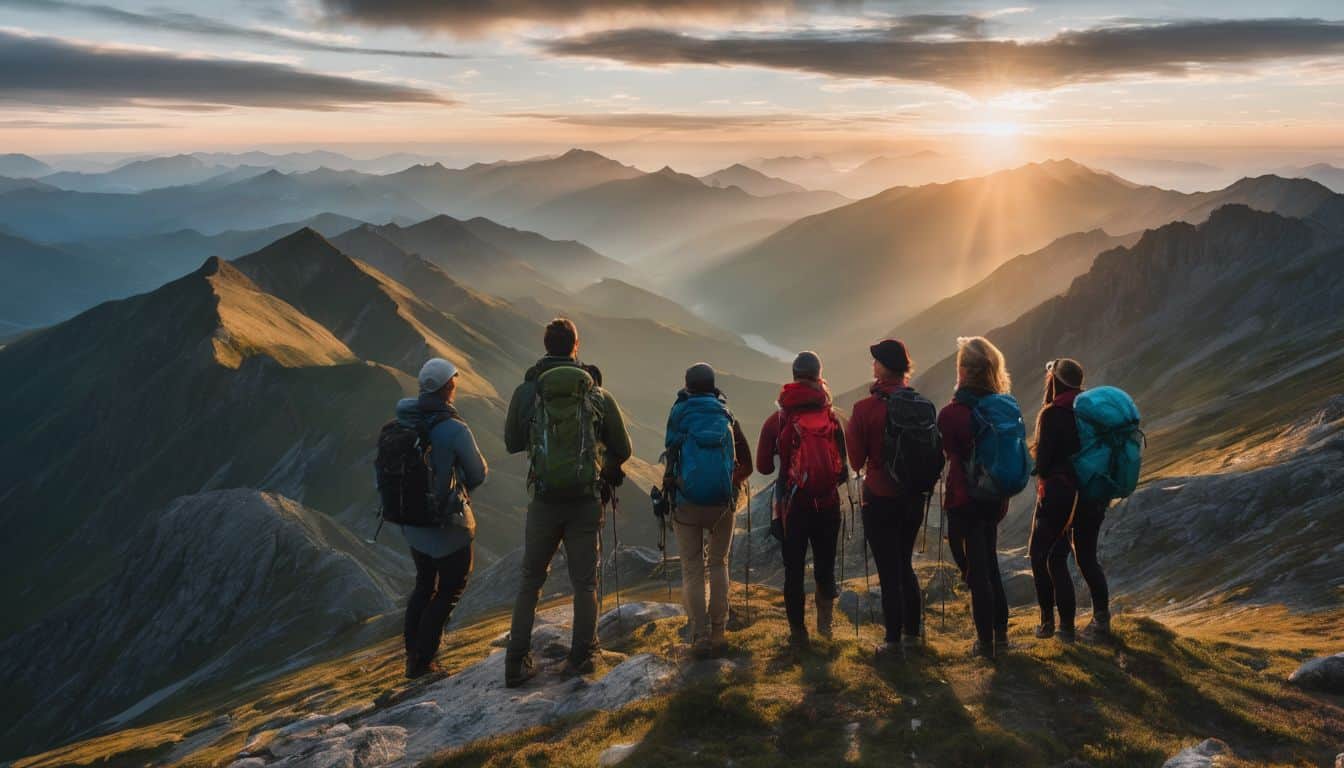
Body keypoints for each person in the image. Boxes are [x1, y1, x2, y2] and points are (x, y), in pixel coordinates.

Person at [502, 318, 632, 687]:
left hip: (543, 500)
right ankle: (582, 657)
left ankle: (516, 662)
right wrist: (603, 471)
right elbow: (623, 449)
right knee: (585, 583)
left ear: (545, 346)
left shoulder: (528, 392)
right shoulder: (595, 393)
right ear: (576, 345)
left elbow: (512, 442)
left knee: (530, 580)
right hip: (584, 500)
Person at [845, 339, 940, 660]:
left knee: (888, 570)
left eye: (875, 361)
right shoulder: (921, 405)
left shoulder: (864, 409)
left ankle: (892, 642)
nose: (872, 366)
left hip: (880, 497)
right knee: (904, 564)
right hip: (914, 498)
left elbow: (856, 462)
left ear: (883, 367)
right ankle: (913, 634)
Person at [396, 358, 488, 679]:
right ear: (449, 387)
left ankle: (412, 656)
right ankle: (424, 662)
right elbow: (478, 473)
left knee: (424, 585)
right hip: (448, 528)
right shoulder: (454, 428)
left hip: (412, 525)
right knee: (450, 588)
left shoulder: (402, 421)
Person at [756, 351, 849, 649]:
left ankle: (798, 635)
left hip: (793, 506)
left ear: (794, 376)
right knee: (825, 566)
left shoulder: (779, 418)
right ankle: (826, 629)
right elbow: (843, 471)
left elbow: (764, 467)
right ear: (820, 376)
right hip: (828, 504)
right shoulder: (831, 417)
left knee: (793, 570)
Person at [663, 363, 753, 657]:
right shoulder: (726, 415)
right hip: (721, 504)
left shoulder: (679, 412)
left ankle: (698, 635)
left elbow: (671, 450)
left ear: (687, 386)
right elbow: (747, 464)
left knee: (691, 568)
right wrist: (728, 483)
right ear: (714, 386)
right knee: (718, 564)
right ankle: (718, 633)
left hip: (687, 502)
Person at [937, 337, 1013, 660]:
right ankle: (1000, 633)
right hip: (994, 498)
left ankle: (985, 644)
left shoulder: (953, 414)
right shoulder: (1001, 406)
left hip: (963, 498)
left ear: (965, 372)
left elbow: (946, 450)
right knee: (989, 562)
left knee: (975, 569)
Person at [1029, 358, 1111, 642]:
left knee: (1049, 557)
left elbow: (1044, 462)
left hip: (1062, 495)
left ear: (1056, 380)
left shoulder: (1052, 413)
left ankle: (1056, 626)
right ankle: (1101, 621)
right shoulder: (1094, 412)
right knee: (1087, 557)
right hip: (1094, 493)